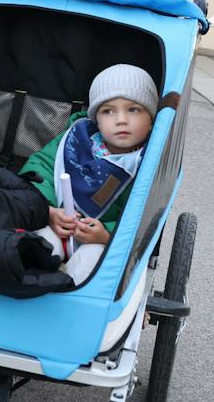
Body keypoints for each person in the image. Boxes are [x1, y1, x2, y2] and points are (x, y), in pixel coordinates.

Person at [18, 64, 159, 285]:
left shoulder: (148, 161)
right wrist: (49, 210)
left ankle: (66, 300)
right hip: (59, 221)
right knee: (38, 245)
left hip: (104, 241)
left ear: (151, 120)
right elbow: (41, 167)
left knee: (91, 261)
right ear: (96, 119)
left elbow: (145, 216)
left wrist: (108, 235)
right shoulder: (76, 141)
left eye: (133, 110)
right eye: (108, 111)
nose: (121, 119)